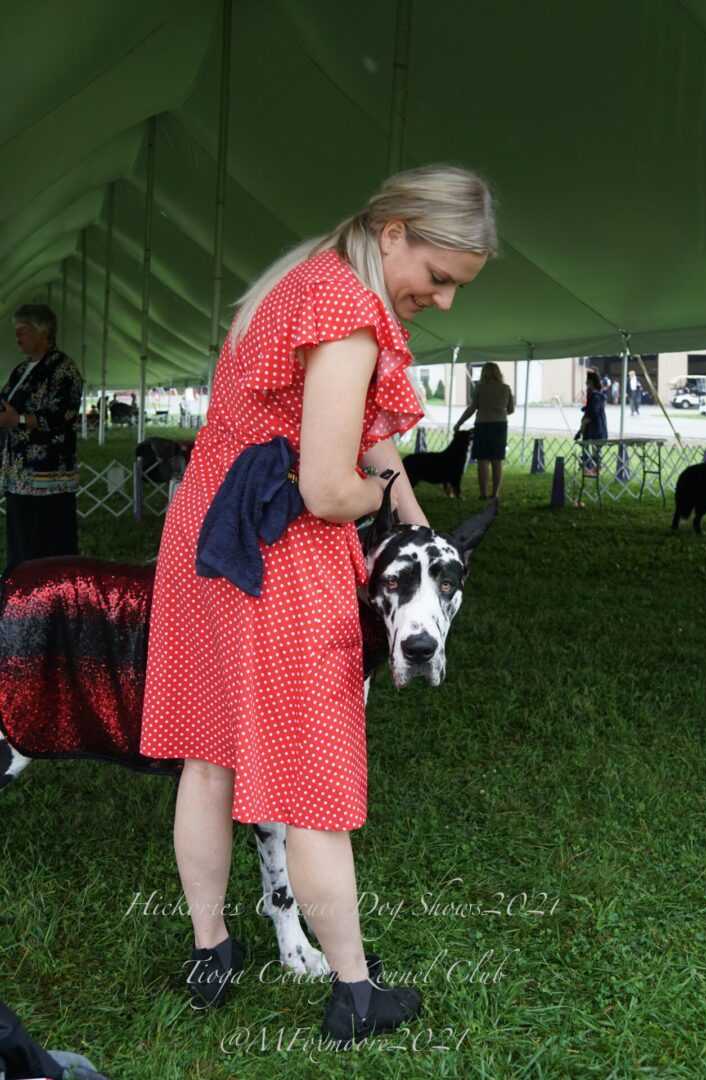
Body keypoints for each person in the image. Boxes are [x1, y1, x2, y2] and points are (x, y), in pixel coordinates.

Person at [138, 163, 497, 1041]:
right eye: (440, 279)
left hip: (204, 538)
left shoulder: (302, 279)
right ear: (393, 234)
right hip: (275, 555)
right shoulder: (346, 316)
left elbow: (373, 446)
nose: (443, 302)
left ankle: (212, 948)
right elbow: (336, 486)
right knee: (315, 785)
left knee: (209, 759)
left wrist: (417, 527)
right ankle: (354, 994)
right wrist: (374, 504)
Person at [0, 304, 83, 568]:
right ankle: (21, 598)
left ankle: (53, 602)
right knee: (21, 541)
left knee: (49, 543)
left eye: (23, 330)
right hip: (19, 474)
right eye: (16, 331)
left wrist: (20, 420)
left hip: (49, 478)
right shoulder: (20, 370)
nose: (17, 336)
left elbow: (63, 414)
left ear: (44, 331)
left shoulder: (63, 369)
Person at [453, 361, 514, 497]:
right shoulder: (506, 388)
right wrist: (499, 412)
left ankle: (483, 494)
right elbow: (511, 409)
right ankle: (495, 493)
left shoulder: (479, 388)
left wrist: (459, 423)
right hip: (500, 425)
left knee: (483, 460)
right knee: (497, 460)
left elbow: (472, 408)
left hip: (483, 424)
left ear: (483, 373)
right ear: (498, 373)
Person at [575, 368, 608, 474]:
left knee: (592, 448)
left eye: (588, 380)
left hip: (595, 428)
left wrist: (585, 422)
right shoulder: (595, 395)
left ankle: (592, 469)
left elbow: (594, 411)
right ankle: (591, 468)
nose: (586, 382)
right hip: (594, 427)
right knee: (591, 448)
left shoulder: (596, 396)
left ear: (592, 382)